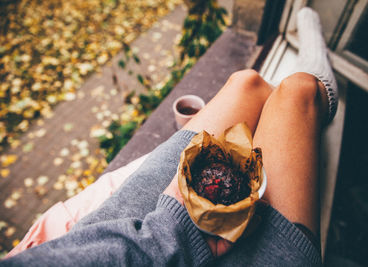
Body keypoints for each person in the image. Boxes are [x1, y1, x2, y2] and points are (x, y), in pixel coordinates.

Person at [0, 7, 336, 267]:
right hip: (155, 243)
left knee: (246, 83)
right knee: (298, 92)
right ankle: (319, 87)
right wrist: (177, 237)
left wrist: (169, 235)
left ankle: (289, 112)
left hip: (92, 248)